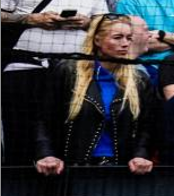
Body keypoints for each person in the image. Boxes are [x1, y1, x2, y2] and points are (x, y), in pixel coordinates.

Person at [1, 0, 108, 164]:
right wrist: (32, 18)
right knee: (21, 135)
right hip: (26, 67)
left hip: (74, 68)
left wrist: (87, 22)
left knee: (67, 135)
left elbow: (103, 20)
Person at [33, 14, 155, 175]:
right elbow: (45, 119)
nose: (125, 44)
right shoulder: (68, 71)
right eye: (117, 38)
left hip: (123, 169)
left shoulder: (139, 80)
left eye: (129, 38)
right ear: (97, 40)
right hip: (72, 166)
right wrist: (46, 154)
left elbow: (146, 126)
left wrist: (141, 155)